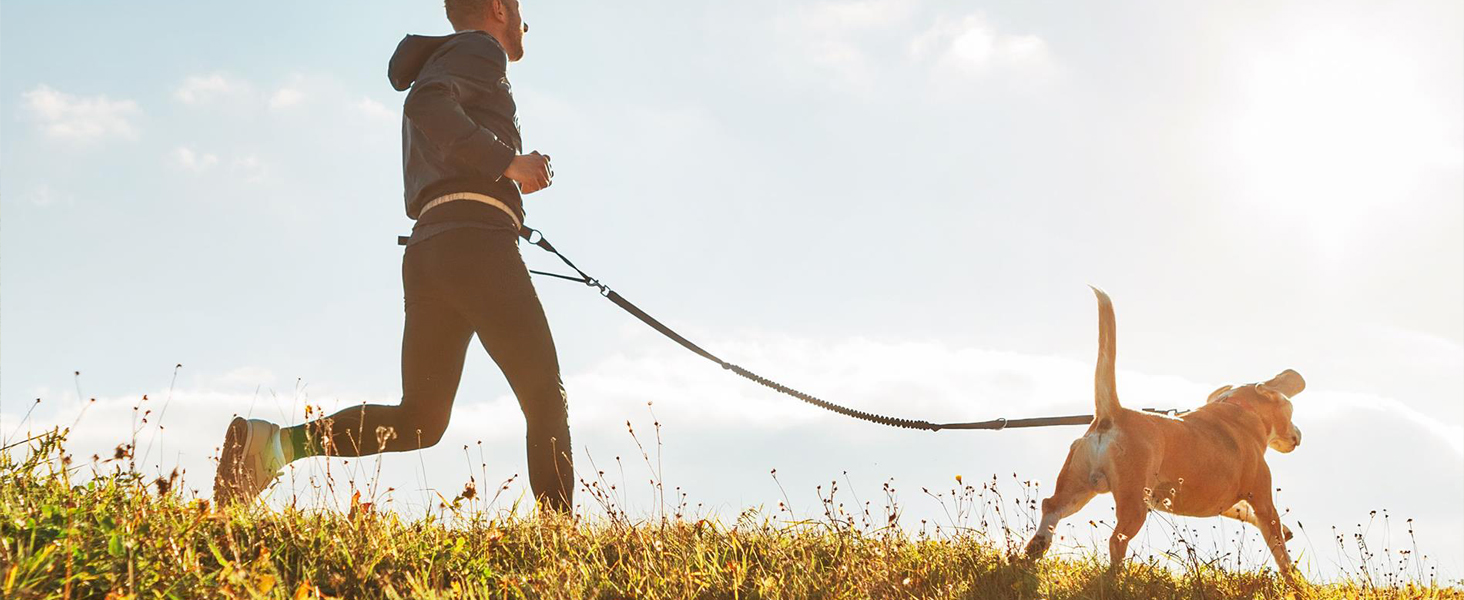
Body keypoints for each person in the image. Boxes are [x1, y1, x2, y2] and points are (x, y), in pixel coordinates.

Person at [213, 0, 573, 512]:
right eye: (518, 8)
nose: (525, 22)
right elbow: (426, 104)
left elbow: (430, 105)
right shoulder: (479, 49)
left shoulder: (445, 57)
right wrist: (508, 162)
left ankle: (273, 445)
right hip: (475, 244)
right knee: (544, 396)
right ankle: (558, 536)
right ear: (497, 7)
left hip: (431, 248)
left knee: (421, 419)